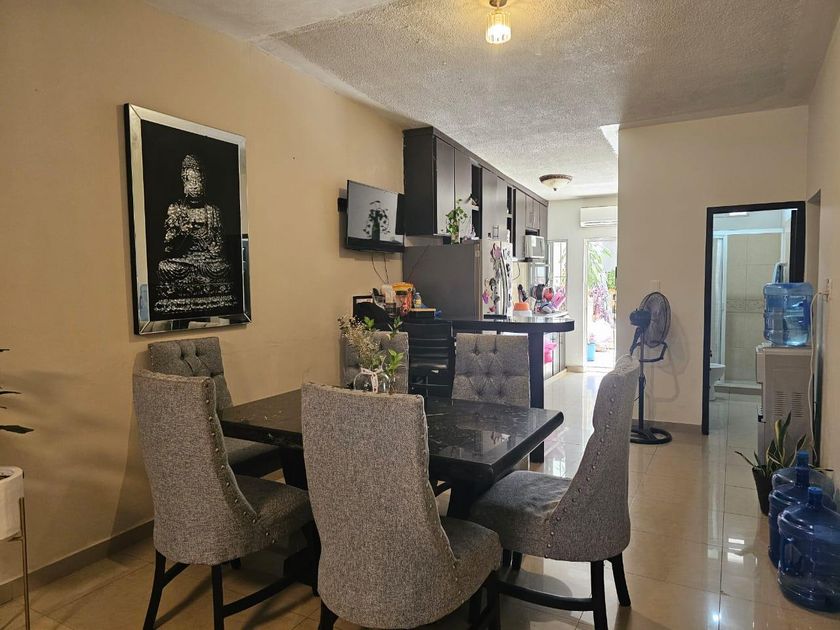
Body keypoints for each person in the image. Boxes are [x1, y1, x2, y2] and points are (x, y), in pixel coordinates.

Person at [155, 154, 235, 315]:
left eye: (198, 180)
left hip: (207, 262)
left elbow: (218, 247)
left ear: (204, 182)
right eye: (190, 180)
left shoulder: (213, 210)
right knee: (165, 267)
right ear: (184, 182)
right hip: (183, 261)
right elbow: (168, 247)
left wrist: (208, 242)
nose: (195, 186)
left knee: (223, 267)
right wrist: (182, 233)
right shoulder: (176, 208)